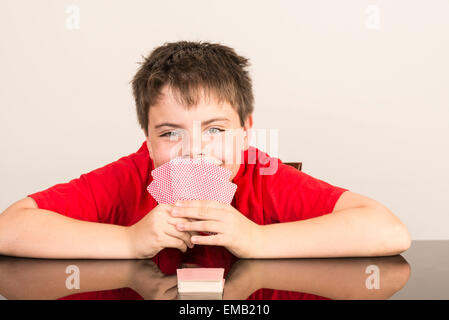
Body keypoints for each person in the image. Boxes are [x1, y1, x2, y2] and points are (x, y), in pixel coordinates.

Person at [0, 41, 411, 260]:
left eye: (215, 129)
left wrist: (256, 240)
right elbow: (10, 229)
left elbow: (388, 230)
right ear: (147, 138)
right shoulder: (130, 174)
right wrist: (128, 241)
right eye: (170, 133)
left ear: (246, 131)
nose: (194, 151)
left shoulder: (263, 174)